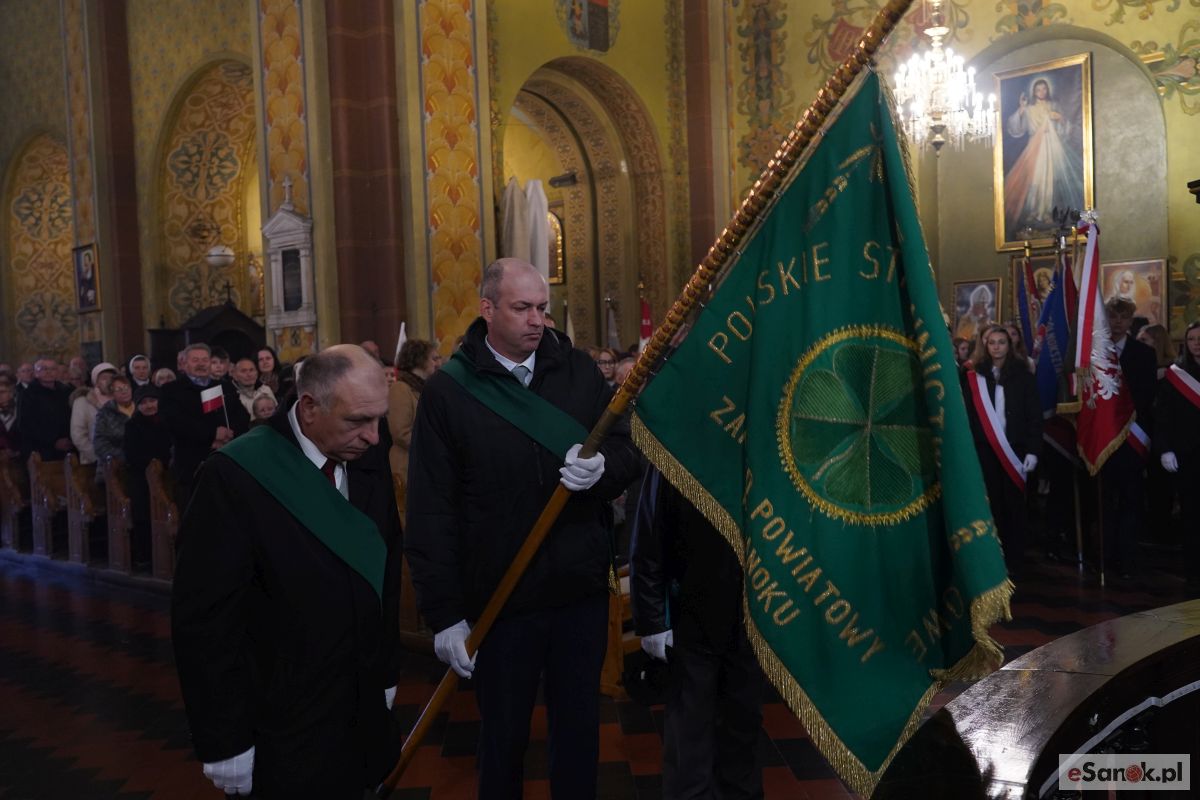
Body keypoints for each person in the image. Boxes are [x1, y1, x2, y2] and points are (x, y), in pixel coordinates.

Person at [405, 258, 640, 799]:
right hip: (499, 596)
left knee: (579, 733)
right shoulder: (449, 392)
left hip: (578, 588)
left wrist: (605, 469)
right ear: (487, 309)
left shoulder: (578, 370)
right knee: (503, 738)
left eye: (542, 308)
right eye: (522, 308)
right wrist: (444, 615)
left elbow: (628, 445)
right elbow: (431, 509)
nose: (537, 320)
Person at [172, 345, 404, 798]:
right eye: (358, 420)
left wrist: (387, 671)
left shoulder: (366, 455)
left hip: (361, 708)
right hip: (282, 721)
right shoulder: (236, 475)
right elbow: (206, 619)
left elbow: (386, 572)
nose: (374, 437)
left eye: (379, 419)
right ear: (310, 407)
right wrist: (224, 738)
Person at [630, 467, 764, 798]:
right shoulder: (677, 451)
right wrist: (652, 620)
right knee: (688, 752)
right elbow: (648, 536)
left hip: (751, 626)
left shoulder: (761, 452)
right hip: (690, 621)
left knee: (742, 744)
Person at [961, 325, 1042, 565]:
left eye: (1002, 342)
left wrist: (1033, 450)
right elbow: (967, 416)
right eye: (992, 342)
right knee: (991, 503)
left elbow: (1034, 416)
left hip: (1015, 450)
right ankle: (992, 558)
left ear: (1009, 346)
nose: (997, 347)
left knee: (1014, 505)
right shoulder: (974, 376)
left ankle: (1014, 558)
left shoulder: (1023, 376)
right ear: (986, 346)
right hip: (985, 449)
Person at [1102, 297, 1158, 577]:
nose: (1118, 322)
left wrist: (1124, 418)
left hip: (1132, 435)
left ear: (1130, 321)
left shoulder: (1143, 353)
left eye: (1123, 317)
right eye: (1113, 316)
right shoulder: (1096, 352)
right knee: (1104, 501)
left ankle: (1127, 558)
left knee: (1131, 499)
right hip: (1103, 438)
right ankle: (1105, 556)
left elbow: (1147, 393)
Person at [159, 343, 250, 508]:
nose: (201, 364)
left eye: (205, 360)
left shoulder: (224, 387)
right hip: (191, 464)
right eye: (195, 360)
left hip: (226, 460)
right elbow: (175, 422)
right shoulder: (171, 390)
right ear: (185, 364)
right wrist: (212, 434)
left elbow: (242, 416)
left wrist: (228, 434)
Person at [1003, 76, 1084, 236]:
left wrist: (1060, 119)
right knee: (1036, 179)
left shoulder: (1054, 106)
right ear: (1034, 92)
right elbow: (1015, 128)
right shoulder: (1029, 109)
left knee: (1050, 180)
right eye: (1038, 89)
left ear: (1048, 90)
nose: (1041, 92)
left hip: (1052, 148)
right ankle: (1035, 211)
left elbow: (1065, 130)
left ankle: (1047, 212)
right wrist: (1021, 109)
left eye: (1044, 88)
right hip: (1035, 148)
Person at [1156, 322, 1200, 590]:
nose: (1197, 343)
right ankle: (1193, 571)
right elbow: (1163, 415)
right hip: (1187, 455)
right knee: (1191, 514)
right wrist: (1165, 449)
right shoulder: (1176, 375)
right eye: (1192, 338)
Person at [387, 338, 442, 508]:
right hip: (407, 466)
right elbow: (400, 432)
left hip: (422, 465)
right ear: (419, 359)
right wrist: (435, 445)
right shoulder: (401, 388)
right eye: (434, 358)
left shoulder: (424, 387)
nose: (438, 363)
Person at [123, 384, 172, 568]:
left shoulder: (166, 421)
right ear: (138, 405)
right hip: (141, 477)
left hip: (165, 474)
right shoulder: (132, 425)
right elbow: (131, 454)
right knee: (143, 514)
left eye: (152, 401)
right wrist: (152, 464)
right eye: (144, 403)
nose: (149, 405)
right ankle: (145, 555)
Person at [19, 359, 75, 462]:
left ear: (57, 372)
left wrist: (69, 438)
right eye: (44, 369)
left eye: (53, 369)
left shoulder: (66, 391)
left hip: (67, 446)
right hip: (41, 449)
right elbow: (27, 424)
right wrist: (53, 442)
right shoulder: (28, 394)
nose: (49, 372)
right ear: (36, 373)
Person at [70, 362, 117, 465]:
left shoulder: (121, 401)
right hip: (93, 462)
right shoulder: (82, 402)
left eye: (112, 378)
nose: (109, 381)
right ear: (96, 382)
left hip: (120, 460)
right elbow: (78, 435)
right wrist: (98, 457)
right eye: (104, 378)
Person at [92, 375, 136, 472]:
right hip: (114, 468)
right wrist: (124, 456)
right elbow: (100, 444)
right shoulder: (104, 413)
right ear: (112, 394)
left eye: (126, 388)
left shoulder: (141, 408)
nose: (124, 391)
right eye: (118, 389)